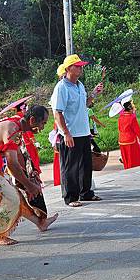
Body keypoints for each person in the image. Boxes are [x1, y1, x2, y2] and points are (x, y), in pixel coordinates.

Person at [0, 106, 58, 245]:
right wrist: (29, 185)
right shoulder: (13, 131)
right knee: (5, 198)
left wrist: (29, 176)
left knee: (14, 195)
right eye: (43, 123)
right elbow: (12, 164)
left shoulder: (18, 124)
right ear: (32, 120)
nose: (43, 127)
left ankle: (40, 223)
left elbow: (18, 156)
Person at [51, 54, 102, 207]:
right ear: (68, 69)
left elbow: (84, 104)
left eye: (81, 66)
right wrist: (66, 133)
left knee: (85, 165)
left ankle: (85, 193)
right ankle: (70, 197)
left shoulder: (80, 85)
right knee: (70, 167)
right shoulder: (61, 88)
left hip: (84, 132)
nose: (80, 68)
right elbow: (57, 113)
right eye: (77, 66)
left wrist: (93, 94)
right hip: (71, 133)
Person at [118, 99, 140, 169]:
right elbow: (137, 129)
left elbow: (119, 128)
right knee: (133, 156)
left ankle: (127, 167)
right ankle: (133, 168)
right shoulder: (132, 117)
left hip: (122, 139)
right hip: (130, 139)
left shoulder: (120, 117)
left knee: (126, 156)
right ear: (130, 108)